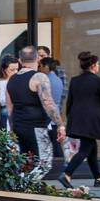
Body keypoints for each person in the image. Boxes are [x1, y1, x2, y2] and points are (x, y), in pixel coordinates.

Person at [62, 52, 100, 189]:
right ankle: (67, 174)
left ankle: (98, 178)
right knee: (85, 150)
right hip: (92, 122)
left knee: (92, 149)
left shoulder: (75, 80)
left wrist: (70, 119)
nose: (99, 66)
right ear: (92, 66)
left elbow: (70, 102)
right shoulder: (99, 81)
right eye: (97, 64)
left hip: (78, 120)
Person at [6, 45, 64, 174]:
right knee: (43, 164)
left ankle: (23, 189)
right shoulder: (39, 77)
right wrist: (60, 125)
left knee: (26, 163)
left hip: (18, 126)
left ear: (20, 60)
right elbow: (48, 103)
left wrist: (12, 128)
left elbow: (10, 108)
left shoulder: (12, 80)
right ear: (37, 58)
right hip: (36, 127)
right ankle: (28, 189)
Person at [0, 54, 19, 131]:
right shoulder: (1, 83)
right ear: (3, 70)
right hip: (7, 112)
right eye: (12, 70)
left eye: (17, 69)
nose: (15, 72)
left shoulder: (17, 80)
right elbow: (2, 100)